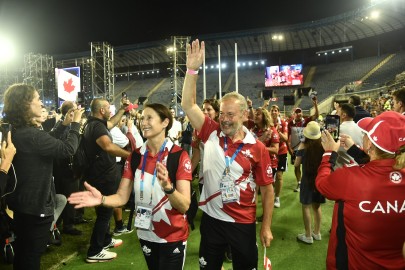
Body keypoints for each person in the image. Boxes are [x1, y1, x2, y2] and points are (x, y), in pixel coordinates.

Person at [182, 39, 274, 270]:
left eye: (230, 114)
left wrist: (266, 226)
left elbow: (267, 190)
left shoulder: (257, 147)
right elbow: (187, 104)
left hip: (242, 223)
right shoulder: (211, 131)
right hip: (212, 221)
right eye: (222, 113)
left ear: (244, 115)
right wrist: (192, 69)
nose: (224, 119)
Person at [68, 103, 192, 269]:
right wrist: (102, 199)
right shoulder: (135, 156)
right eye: (142, 118)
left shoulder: (179, 156)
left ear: (165, 123)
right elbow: (121, 197)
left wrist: (168, 188)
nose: (144, 122)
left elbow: (184, 206)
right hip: (146, 234)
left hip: (173, 236)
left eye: (149, 118)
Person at [2, 83, 83, 270]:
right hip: (35, 208)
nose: (41, 103)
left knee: (23, 255)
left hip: (21, 206)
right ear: (25, 105)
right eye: (37, 99)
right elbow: (67, 149)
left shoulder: (18, 131)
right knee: (30, 258)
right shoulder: (31, 136)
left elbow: (48, 140)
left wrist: (63, 125)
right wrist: (75, 124)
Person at [316, 111, 405, 269]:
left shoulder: (350, 178)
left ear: (369, 144)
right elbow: (382, 164)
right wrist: (353, 149)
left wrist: (329, 152)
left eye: (365, 134)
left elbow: (322, 184)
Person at [79, 97, 132, 263]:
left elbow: (112, 123)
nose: (111, 110)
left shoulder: (94, 123)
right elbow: (108, 146)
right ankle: (94, 250)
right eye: (108, 108)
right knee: (105, 212)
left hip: (98, 174)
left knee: (104, 211)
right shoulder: (96, 126)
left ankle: (106, 240)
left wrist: (123, 110)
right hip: (102, 176)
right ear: (101, 110)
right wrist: (130, 156)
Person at [293, 121, 325, 244]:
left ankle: (307, 235)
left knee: (306, 206)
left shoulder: (303, 146)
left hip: (307, 179)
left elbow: (296, 164)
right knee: (317, 206)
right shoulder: (323, 146)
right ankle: (317, 233)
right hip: (320, 179)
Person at [287, 102, 319, 192]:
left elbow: (316, 115)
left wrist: (315, 104)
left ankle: (308, 182)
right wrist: (289, 148)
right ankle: (300, 183)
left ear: (302, 113)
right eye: (296, 112)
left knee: (307, 165)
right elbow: (288, 136)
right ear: (293, 114)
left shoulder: (306, 121)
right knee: (296, 167)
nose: (298, 114)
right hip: (295, 149)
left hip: (306, 148)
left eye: (299, 112)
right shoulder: (290, 123)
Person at [269, 105, 288, 208]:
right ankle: (270, 195)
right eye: (272, 110)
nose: (274, 112)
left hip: (281, 151)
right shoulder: (268, 123)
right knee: (270, 177)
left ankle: (277, 197)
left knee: (279, 176)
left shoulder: (283, 123)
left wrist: (277, 131)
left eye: (276, 110)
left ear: (278, 112)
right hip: (271, 152)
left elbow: (285, 138)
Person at [334, 103, 363, 168]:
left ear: (344, 115)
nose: (337, 114)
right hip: (358, 167)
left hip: (341, 169)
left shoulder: (337, 130)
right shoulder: (361, 130)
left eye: (338, 112)